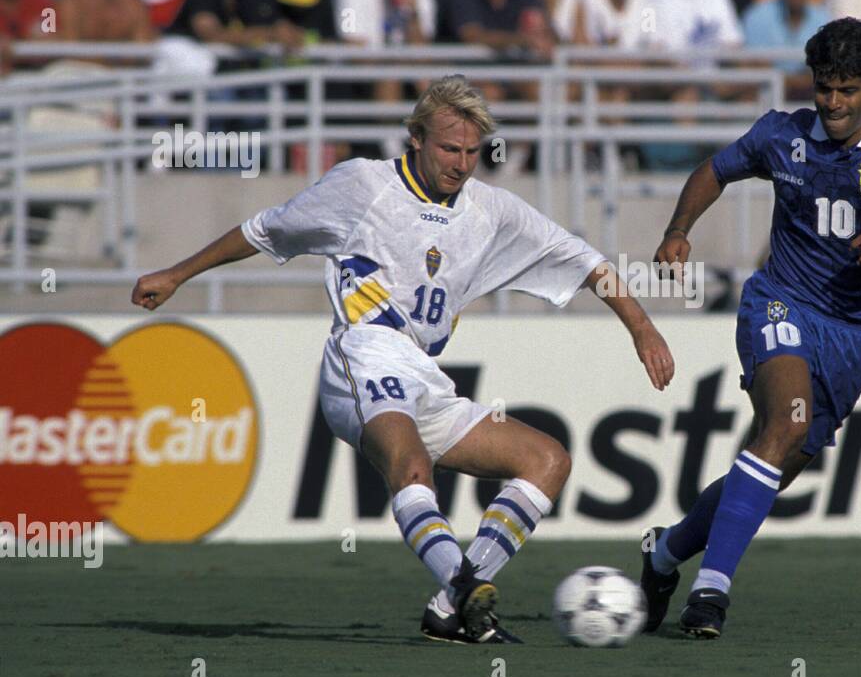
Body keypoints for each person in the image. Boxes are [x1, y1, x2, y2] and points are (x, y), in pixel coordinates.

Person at [130, 76, 676, 644]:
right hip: (362, 355)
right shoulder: (362, 185)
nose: (462, 164)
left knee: (548, 460)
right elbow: (264, 230)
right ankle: (466, 589)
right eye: (449, 148)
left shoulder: (492, 212)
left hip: (424, 374)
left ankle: (451, 605)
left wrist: (642, 329)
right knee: (411, 468)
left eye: (472, 152)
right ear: (414, 138)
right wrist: (176, 274)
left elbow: (586, 263)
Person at [642, 17, 861, 638]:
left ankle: (663, 554)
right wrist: (677, 231)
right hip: (781, 301)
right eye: (823, 88)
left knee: (769, 466)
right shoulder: (783, 134)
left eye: (846, 90)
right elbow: (714, 171)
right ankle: (710, 595)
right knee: (786, 424)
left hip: (853, 335)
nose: (831, 103)